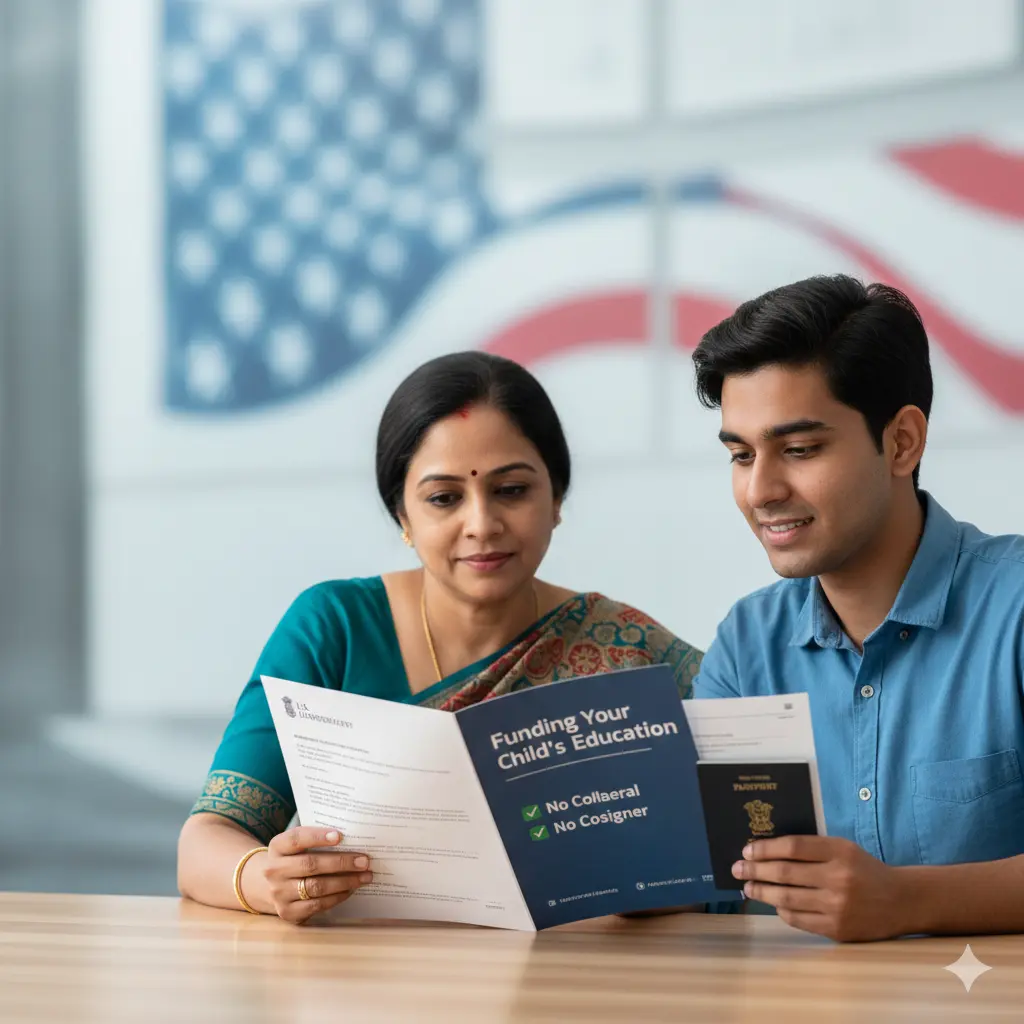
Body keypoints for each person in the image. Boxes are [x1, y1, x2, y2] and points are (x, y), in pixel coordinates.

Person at [178, 351, 702, 924]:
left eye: (511, 490)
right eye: (444, 498)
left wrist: (667, 885)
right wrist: (264, 879)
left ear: (556, 500)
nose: (481, 523)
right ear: (401, 515)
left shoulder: (626, 648)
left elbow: (736, 854)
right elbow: (206, 840)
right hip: (362, 988)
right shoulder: (335, 627)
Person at [691, 274, 1024, 941]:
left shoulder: (1013, 609)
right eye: (741, 454)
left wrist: (908, 900)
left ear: (902, 441)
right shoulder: (746, 644)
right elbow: (716, 883)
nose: (760, 490)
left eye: (800, 449)